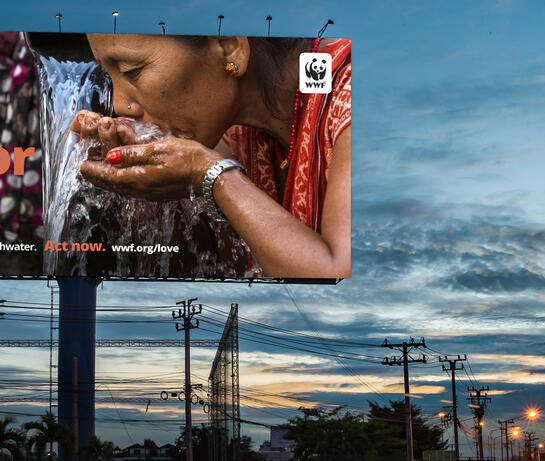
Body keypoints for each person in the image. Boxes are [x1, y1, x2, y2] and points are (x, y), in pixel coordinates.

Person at [70, 34, 351, 278]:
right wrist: (142, 173)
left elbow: (338, 276)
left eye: (132, 71)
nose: (120, 105)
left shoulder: (353, 97)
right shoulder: (235, 131)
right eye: (109, 74)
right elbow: (215, 265)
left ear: (229, 47)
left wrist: (214, 175)